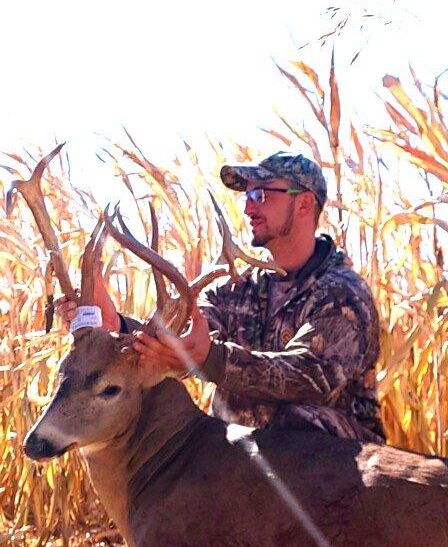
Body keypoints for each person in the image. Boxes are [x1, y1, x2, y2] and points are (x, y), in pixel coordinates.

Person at [59, 152, 386, 445]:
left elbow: (308, 378)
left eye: (260, 194)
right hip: (244, 463)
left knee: (297, 424)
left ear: (303, 204)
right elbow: (182, 341)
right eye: (247, 196)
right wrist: (113, 326)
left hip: (338, 469)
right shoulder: (235, 287)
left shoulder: (342, 294)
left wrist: (211, 358)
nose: (248, 207)